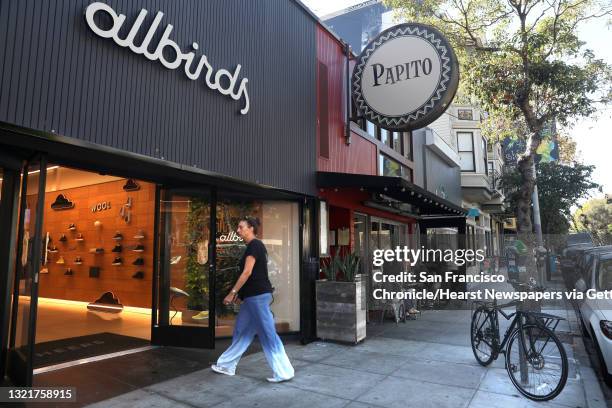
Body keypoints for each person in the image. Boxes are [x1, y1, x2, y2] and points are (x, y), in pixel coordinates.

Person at [211, 216, 295, 382]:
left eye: (241, 227)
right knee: (241, 331)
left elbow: (247, 272)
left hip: (257, 297)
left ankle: (283, 372)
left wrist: (233, 292)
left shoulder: (255, 245)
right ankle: (227, 365)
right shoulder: (252, 246)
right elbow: (252, 274)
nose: (238, 230)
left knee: (267, 333)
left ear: (251, 228)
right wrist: (241, 296)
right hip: (251, 298)